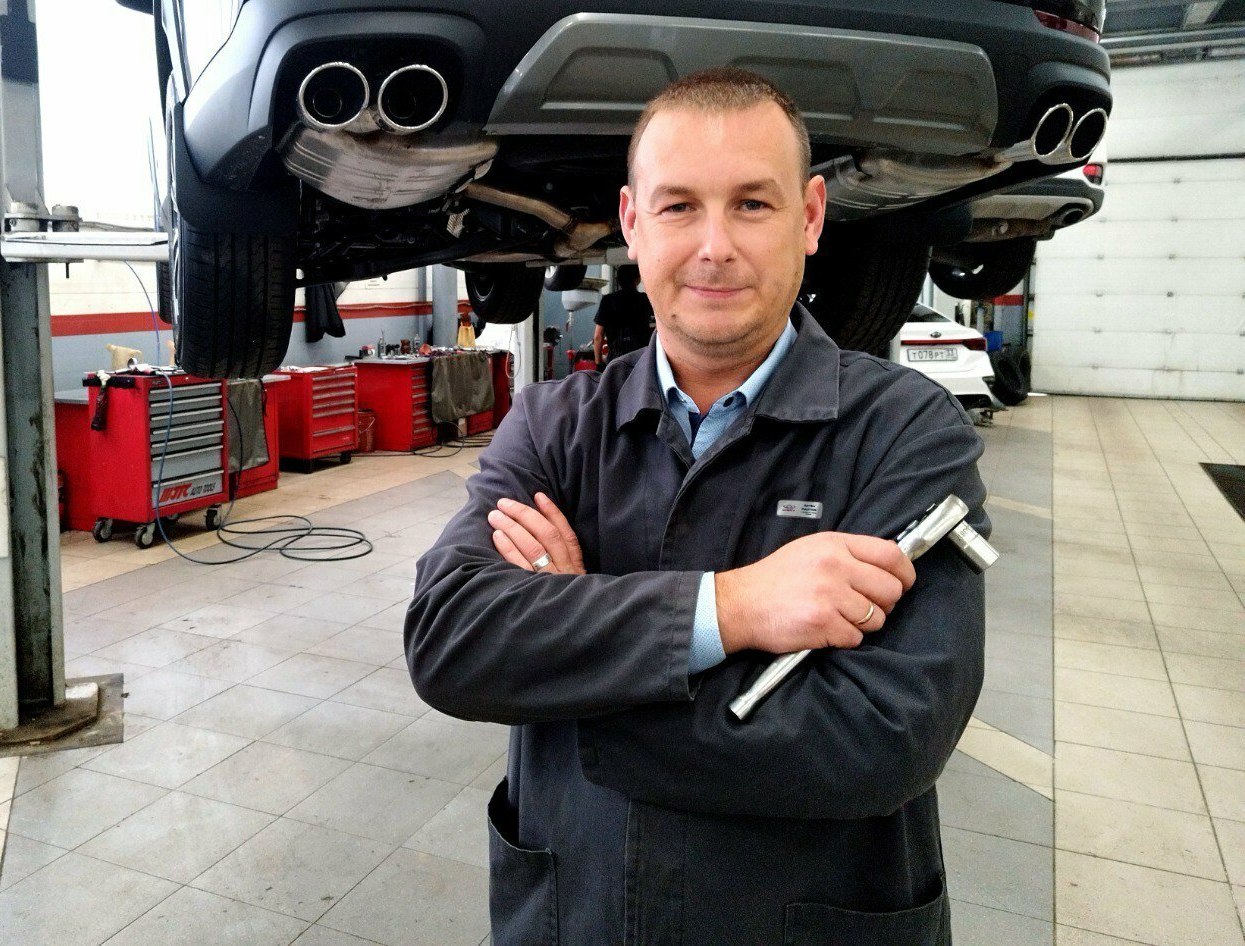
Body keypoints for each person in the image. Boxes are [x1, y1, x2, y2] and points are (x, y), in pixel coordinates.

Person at [406, 67, 987, 945]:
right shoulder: (555, 424)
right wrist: (734, 608)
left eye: (752, 204)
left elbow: (883, 737)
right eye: (679, 207)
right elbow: (449, 639)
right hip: (578, 918)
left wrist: (574, 653)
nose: (715, 246)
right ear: (633, 222)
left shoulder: (906, 431)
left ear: (811, 217)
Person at [593, 265, 655, 366]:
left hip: (616, 359)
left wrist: (598, 363)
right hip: (641, 359)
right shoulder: (645, 300)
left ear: (617, 280)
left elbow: (598, 336)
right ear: (638, 279)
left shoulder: (607, 301)